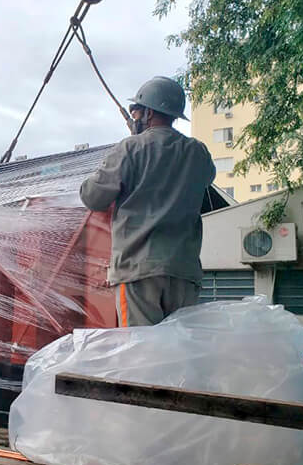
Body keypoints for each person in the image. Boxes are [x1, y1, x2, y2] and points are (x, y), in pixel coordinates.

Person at [80, 76, 216, 326]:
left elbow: (93, 197)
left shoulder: (130, 149)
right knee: (178, 351)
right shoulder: (197, 152)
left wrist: (136, 143)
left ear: (149, 113)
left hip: (138, 271)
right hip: (183, 272)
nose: (134, 116)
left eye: (137, 111)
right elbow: (206, 177)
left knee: (140, 351)